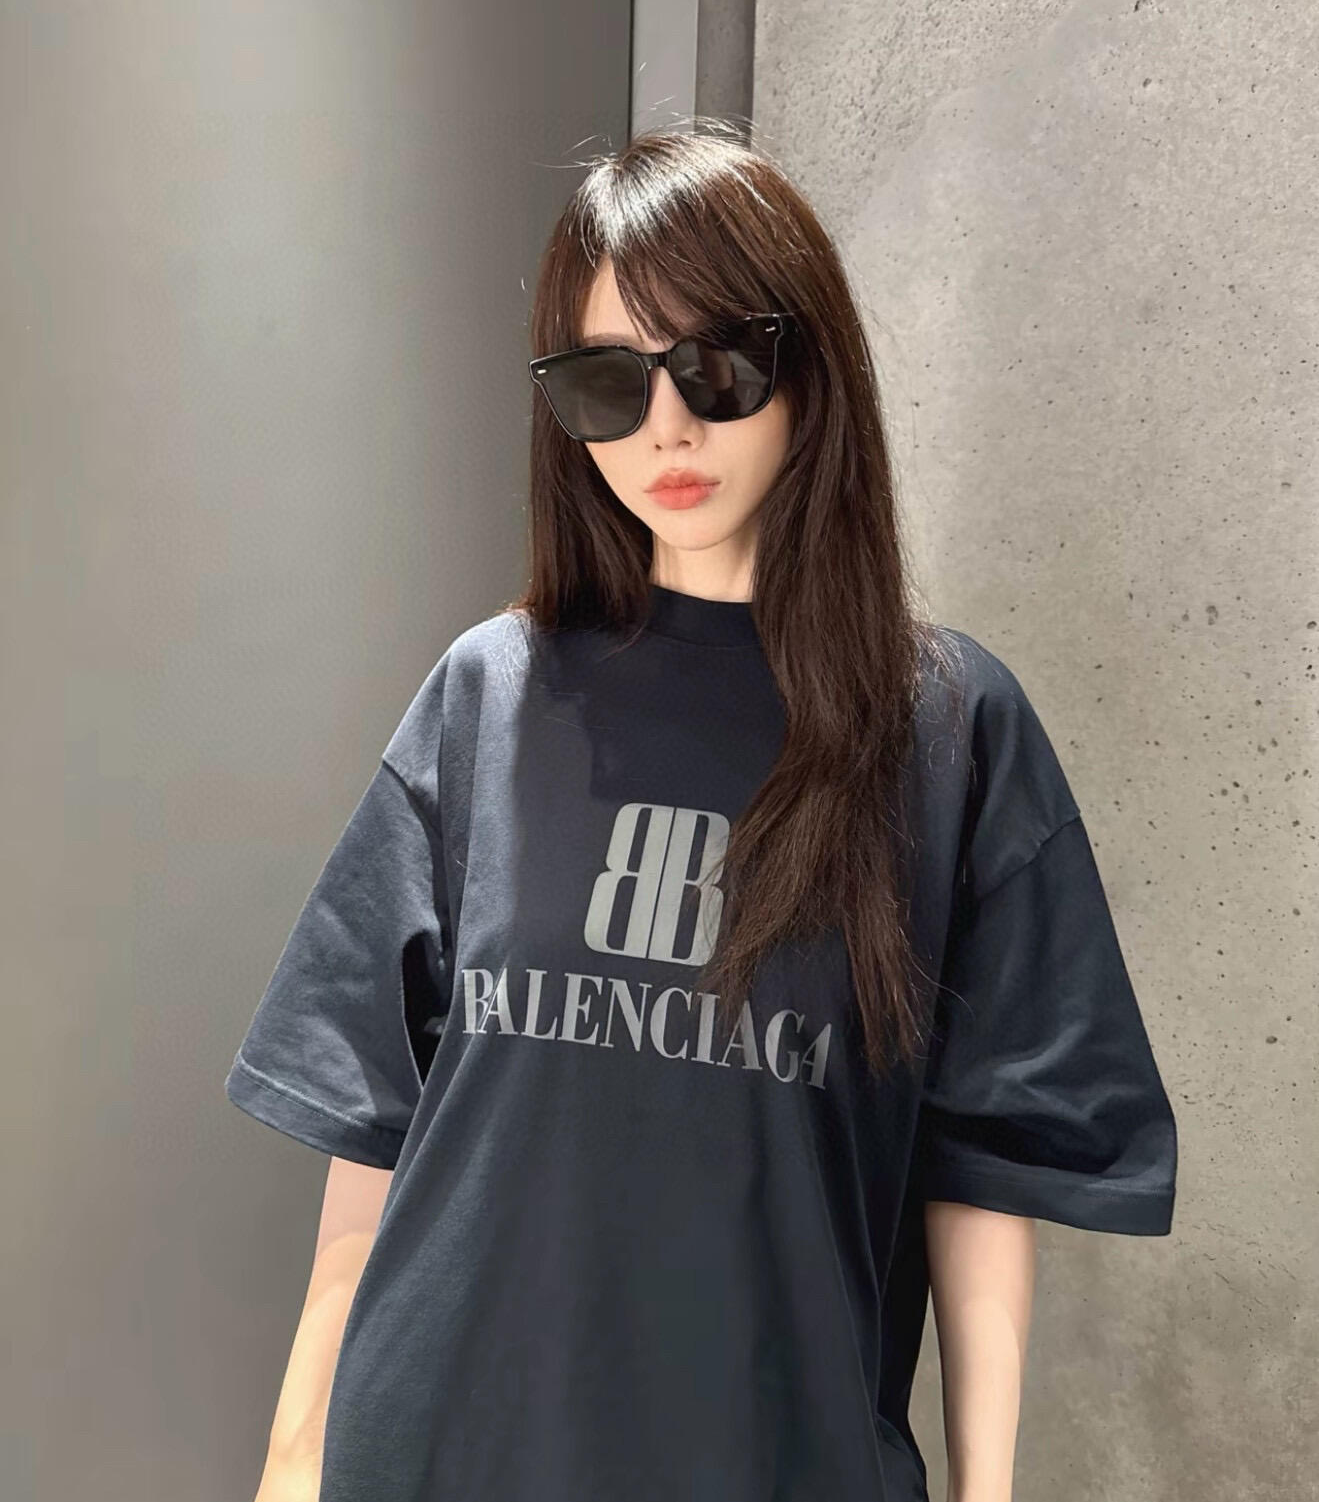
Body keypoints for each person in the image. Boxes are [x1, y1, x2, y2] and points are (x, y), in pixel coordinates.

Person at [226, 122, 1178, 1502]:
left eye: (718, 365)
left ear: (811, 368)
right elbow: (372, 1135)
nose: (665, 426)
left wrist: (987, 1491)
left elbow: (984, 1174)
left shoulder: (946, 730)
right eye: (605, 382)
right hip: (438, 1454)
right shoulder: (490, 694)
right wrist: (290, 1463)